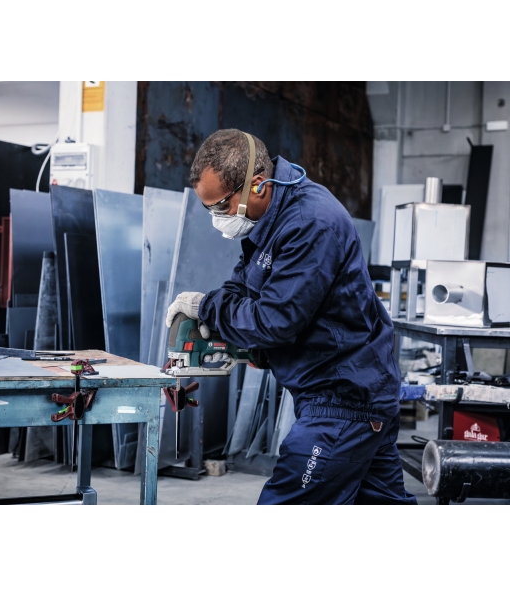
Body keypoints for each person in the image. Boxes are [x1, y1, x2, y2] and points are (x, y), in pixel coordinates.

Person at [165, 129, 417, 505]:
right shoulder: (269, 221)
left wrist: (206, 307)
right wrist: (217, 315)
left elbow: (275, 321)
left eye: (220, 206)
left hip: (343, 400)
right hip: (353, 397)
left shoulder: (310, 223)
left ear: (258, 185)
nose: (217, 219)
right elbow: (243, 287)